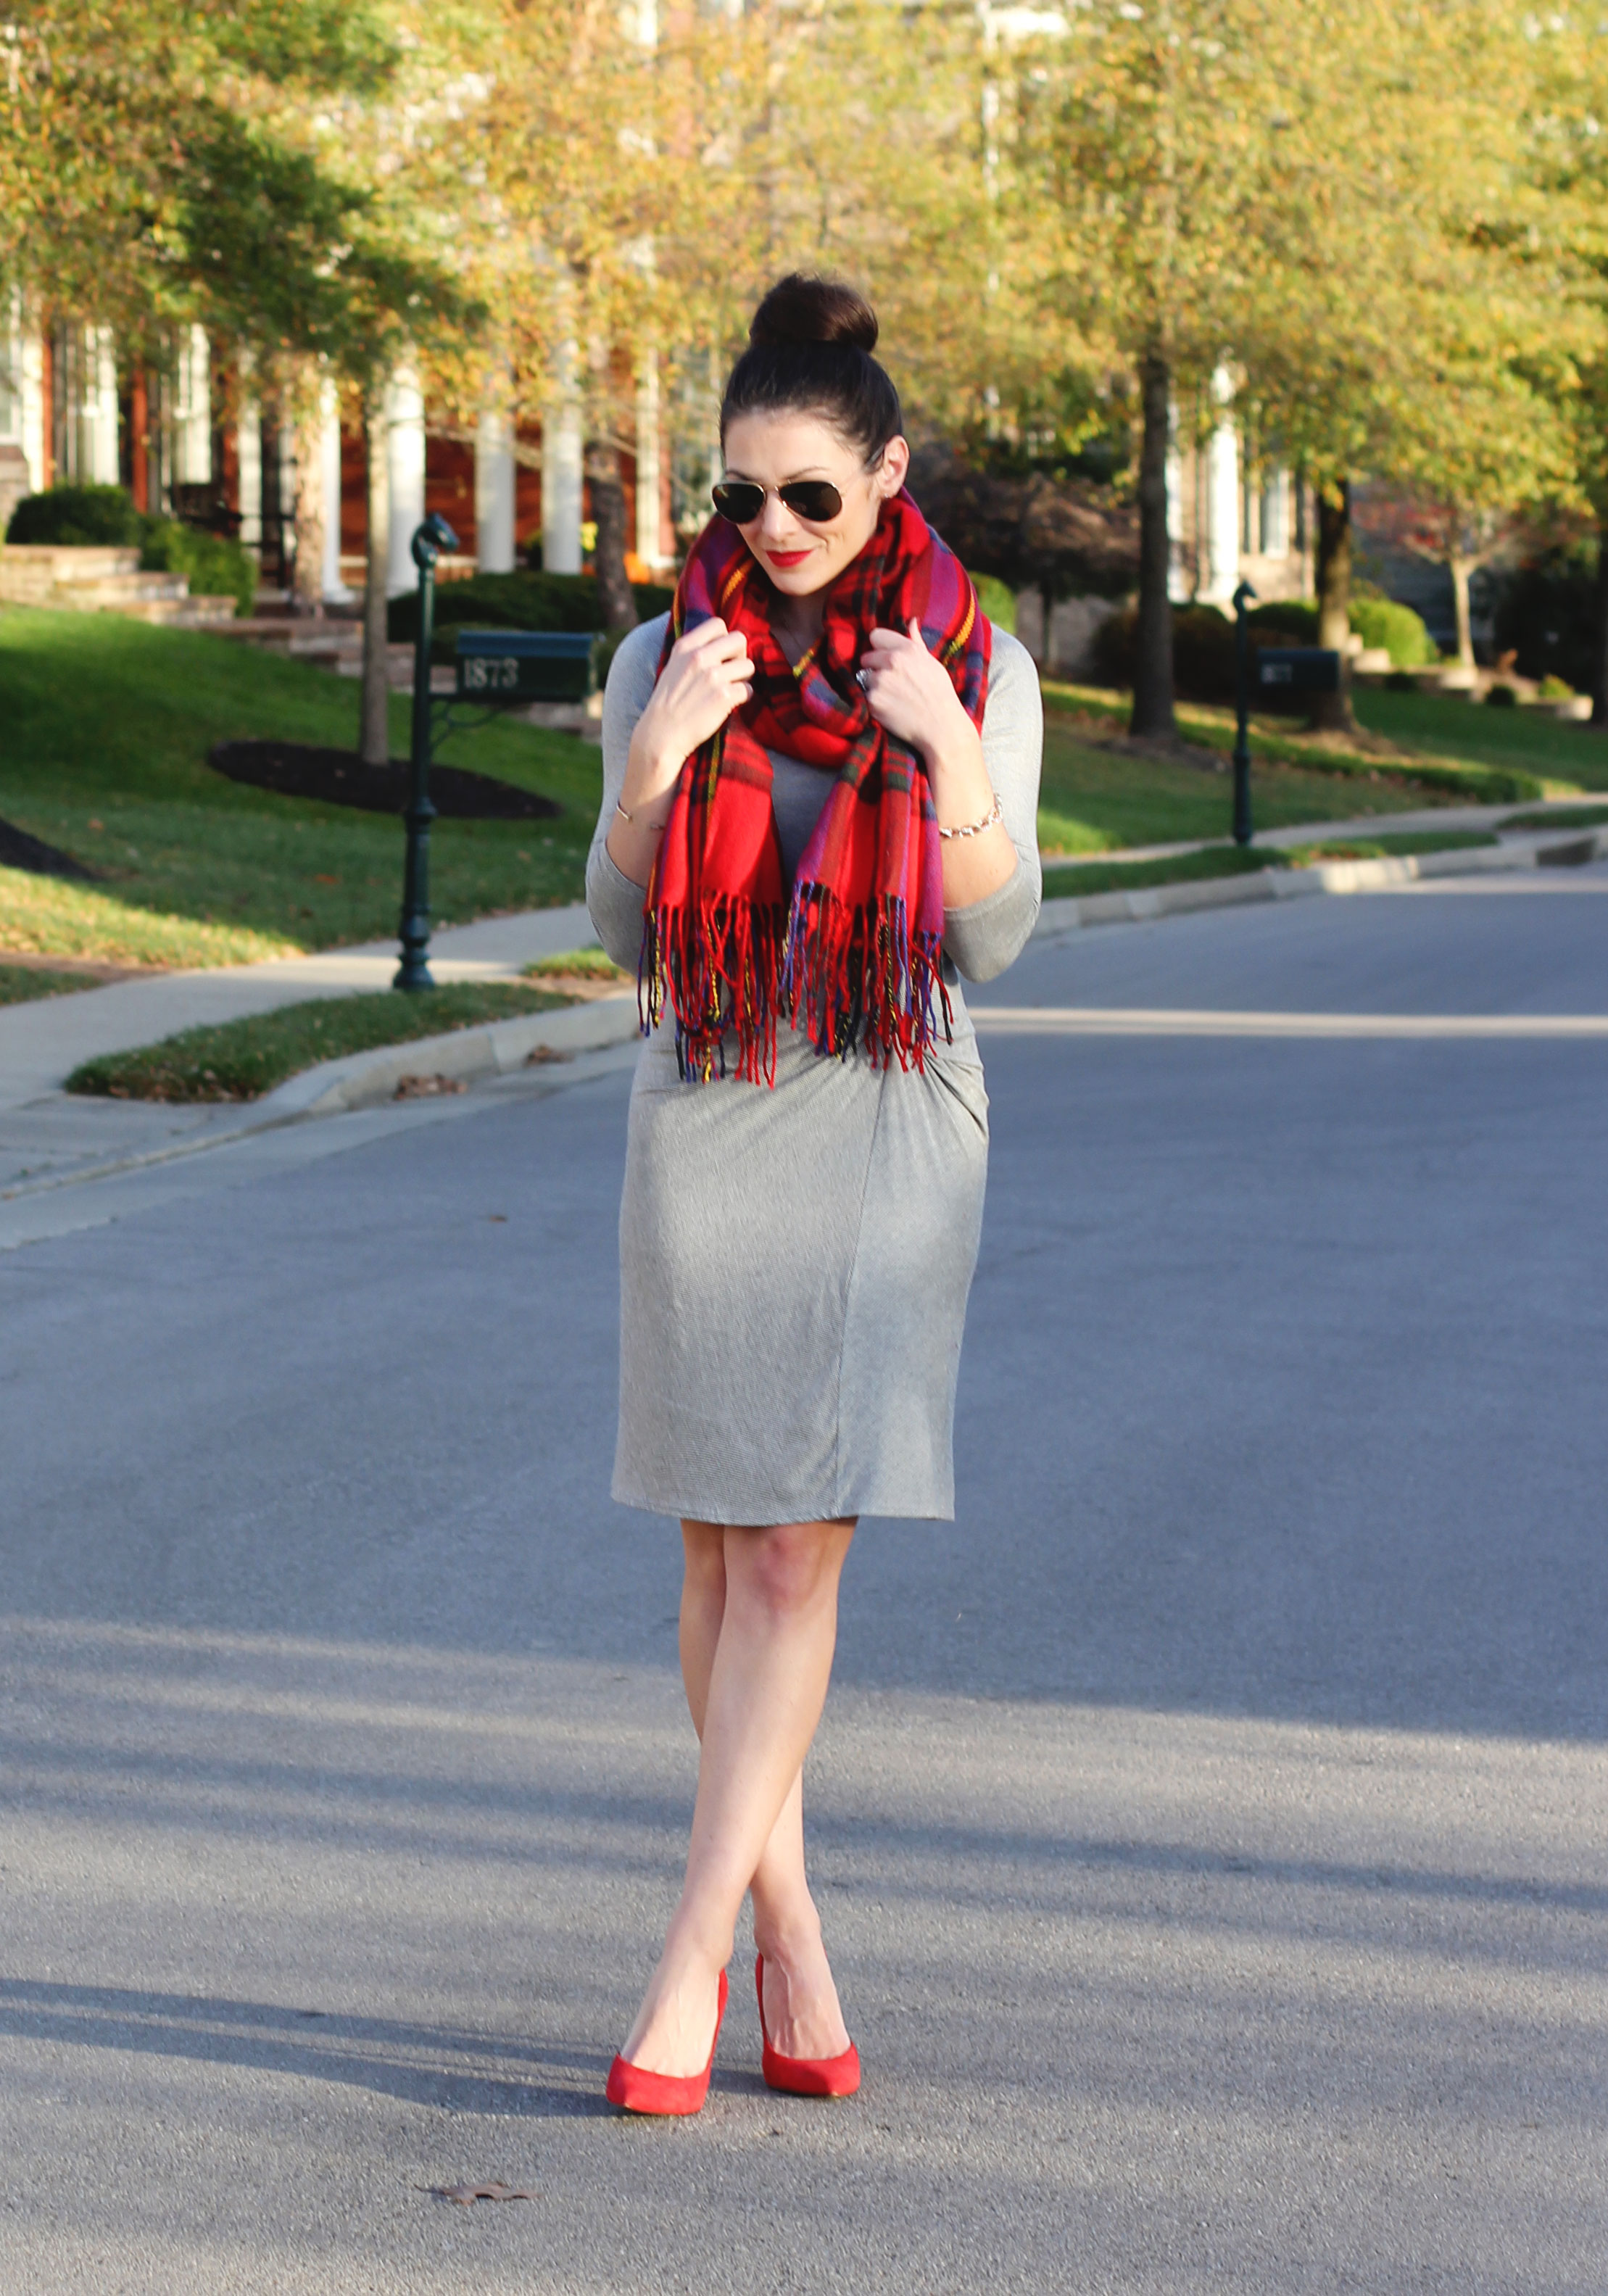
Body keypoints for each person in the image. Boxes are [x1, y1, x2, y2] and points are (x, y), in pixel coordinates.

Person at [585, 273, 1043, 2115]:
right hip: (705, 1096)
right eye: (735, 499)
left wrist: (936, 743)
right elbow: (616, 923)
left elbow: (996, 938)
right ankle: (793, 1933)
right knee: (712, 1537)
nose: (765, 533)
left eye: (805, 499)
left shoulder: (973, 661)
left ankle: (684, 1962)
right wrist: (650, 763)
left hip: (883, 1102)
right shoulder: (661, 653)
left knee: (791, 1543)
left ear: (886, 476)